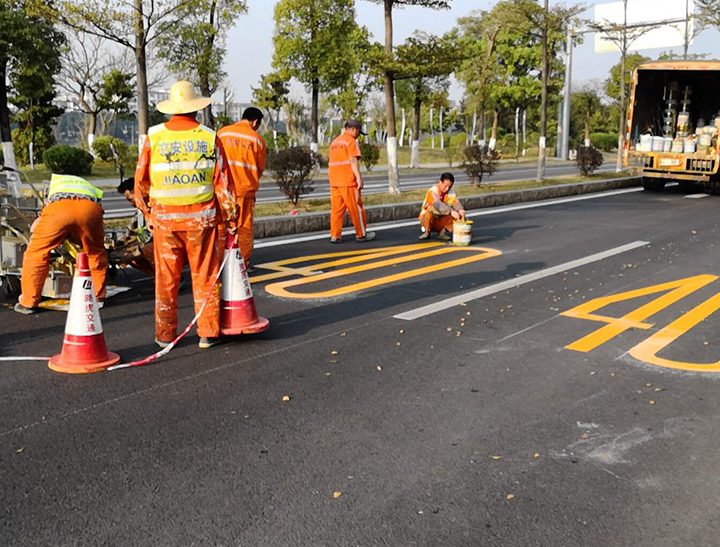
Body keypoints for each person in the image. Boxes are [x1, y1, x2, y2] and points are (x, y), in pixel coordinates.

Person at [134, 80, 237, 349]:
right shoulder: (208, 136)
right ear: (194, 108)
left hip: (165, 223)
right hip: (201, 221)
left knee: (166, 279)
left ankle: (165, 335)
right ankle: (207, 332)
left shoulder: (154, 137)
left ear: (171, 109)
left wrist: (148, 213)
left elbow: (140, 183)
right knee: (205, 275)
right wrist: (231, 220)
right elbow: (223, 184)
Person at [15, 174, 107, 314]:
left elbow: (36, 227)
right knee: (96, 252)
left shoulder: (54, 186)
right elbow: (83, 228)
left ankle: (29, 302)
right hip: (90, 209)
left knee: (36, 253)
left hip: (59, 210)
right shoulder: (85, 185)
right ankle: (97, 298)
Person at [217, 107, 266, 267]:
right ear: (255, 122)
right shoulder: (257, 140)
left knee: (221, 227)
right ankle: (242, 265)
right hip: (244, 190)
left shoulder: (222, 133)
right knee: (243, 228)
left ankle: (217, 264)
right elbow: (259, 169)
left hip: (222, 189)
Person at [328, 119, 375, 243]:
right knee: (356, 208)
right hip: (348, 181)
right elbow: (353, 161)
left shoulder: (335, 142)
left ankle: (335, 235)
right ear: (354, 129)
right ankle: (361, 234)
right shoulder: (350, 141)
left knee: (337, 209)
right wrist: (359, 178)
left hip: (334, 181)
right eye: (359, 132)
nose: (359, 135)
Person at [115, 177, 154, 276]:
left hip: (164, 246)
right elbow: (132, 232)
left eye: (131, 199)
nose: (131, 204)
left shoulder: (154, 208)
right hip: (149, 244)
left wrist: (136, 251)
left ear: (137, 192)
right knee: (132, 258)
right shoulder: (140, 213)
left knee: (146, 251)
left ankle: (173, 278)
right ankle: (159, 276)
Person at [418, 172, 465, 241]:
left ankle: (442, 233)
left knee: (457, 215)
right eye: (445, 186)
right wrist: (451, 211)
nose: (447, 189)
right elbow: (437, 204)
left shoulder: (451, 193)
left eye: (450, 186)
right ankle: (427, 232)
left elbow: (455, 202)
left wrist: (460, 210)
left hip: (441, 219)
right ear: (440, 182)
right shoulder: (432, 191)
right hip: (428, 219)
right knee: (428, 214)